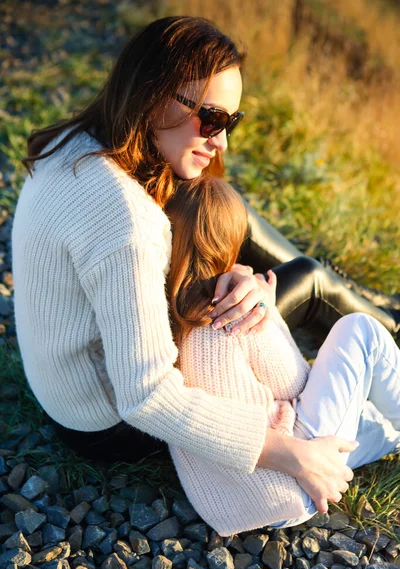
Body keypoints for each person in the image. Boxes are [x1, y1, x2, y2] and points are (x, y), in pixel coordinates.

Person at [11, 15, 398, 514]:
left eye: (229, 122)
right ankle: (384, 341)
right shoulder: (126, 222)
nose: (222, 141)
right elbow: (146, 396)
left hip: (67, 387)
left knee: (219, 206)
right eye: (211, 119)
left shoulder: (77, 144)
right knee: (308, 281)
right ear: (155, 96)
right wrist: (292, 455)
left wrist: (234, 272)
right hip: (107, 421)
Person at [165, 175, 400, 535]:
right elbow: (294, 379)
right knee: (361, 331)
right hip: (292, 477)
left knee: (375, 422)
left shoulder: (170, 314)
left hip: (230, 502)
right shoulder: (233, 313)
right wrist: (267, 311)